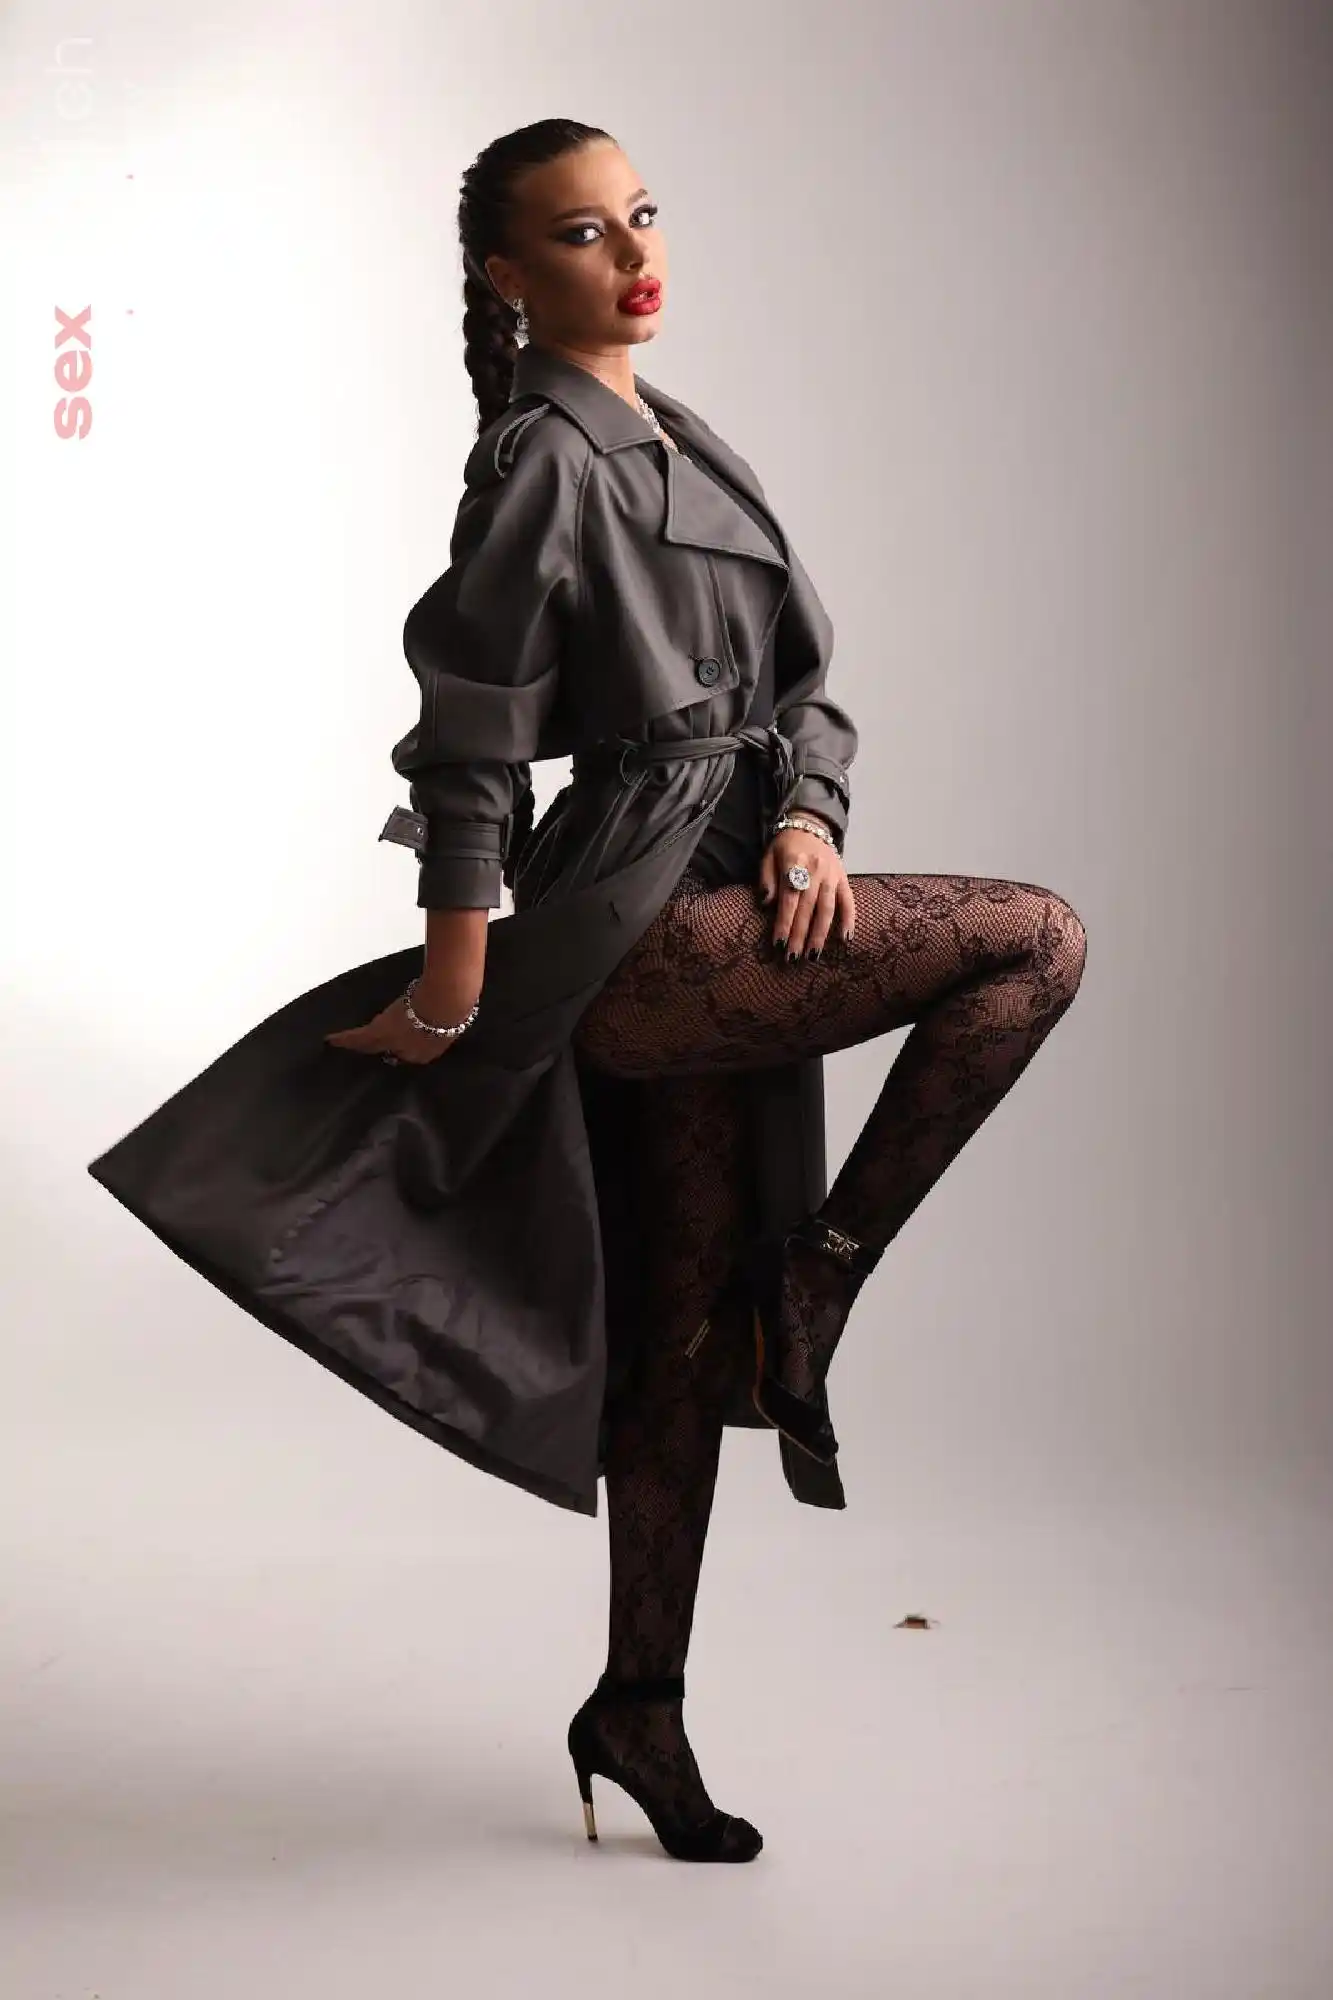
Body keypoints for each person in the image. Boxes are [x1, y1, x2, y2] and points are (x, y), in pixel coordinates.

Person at [323, 118, 1088, 1864]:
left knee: (674, 1339)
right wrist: (455, 986)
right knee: (1033, 939)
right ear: (510, 277)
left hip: (748, 885)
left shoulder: (680, 428)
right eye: (583, 233)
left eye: (643, 214)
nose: (634, 253)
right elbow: (472, 737)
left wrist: (811, 820)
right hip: (647, 922)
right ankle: (816, 1282)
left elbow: (802, 685)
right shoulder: (542, 457)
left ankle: (640, 1705)